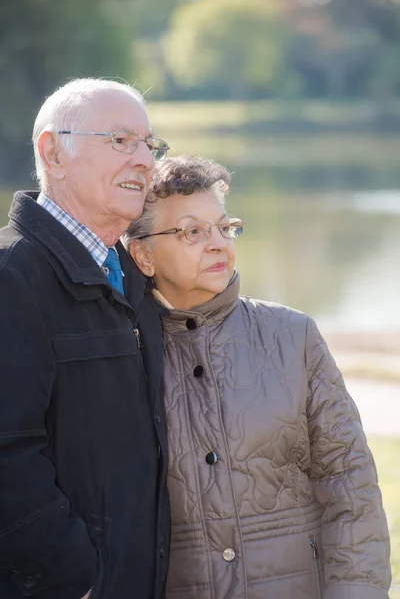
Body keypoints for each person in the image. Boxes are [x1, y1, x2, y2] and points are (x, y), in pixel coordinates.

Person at [124, 154, 392, 599]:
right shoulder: (122, 353)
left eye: (224, 227)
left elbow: (350, 488)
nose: (217, 244)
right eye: (193, 231)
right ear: (143, 255)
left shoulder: (294, 336)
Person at [0, 78, 171, 599]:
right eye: (120, 141)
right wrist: (70, 575)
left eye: (149, 144)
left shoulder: (134, 273)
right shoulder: (12, 275)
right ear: (52, 152)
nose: (144, 160)